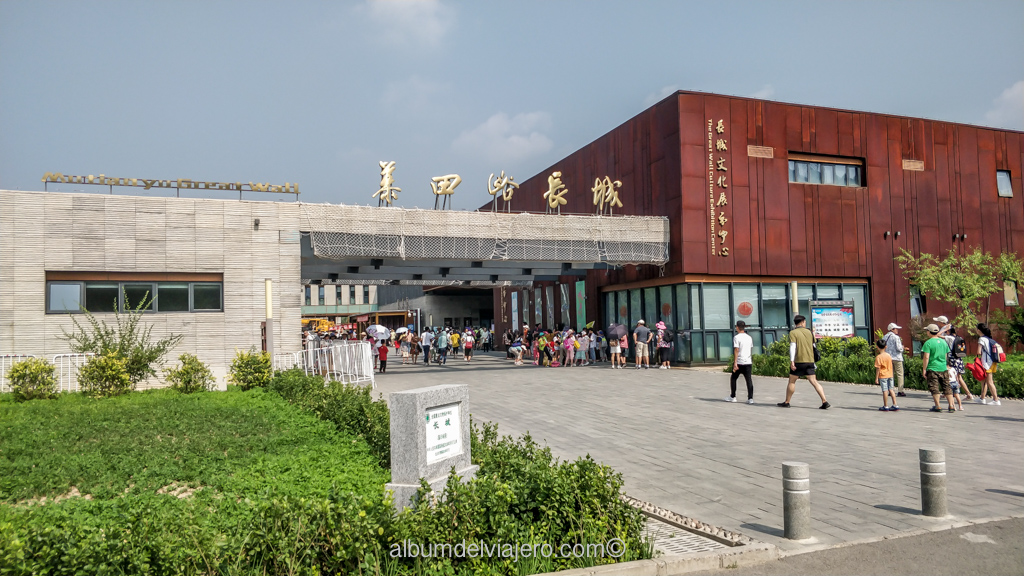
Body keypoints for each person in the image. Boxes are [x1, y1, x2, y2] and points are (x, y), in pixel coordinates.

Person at [778, 315, 829, 409]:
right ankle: (824, 401)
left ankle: (787, 402)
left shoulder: (793, 333)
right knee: (814, 381)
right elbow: (814, 346)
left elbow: (793, 347)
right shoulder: (810, 332)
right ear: (802, 322)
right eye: (805, 322)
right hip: (810, 360)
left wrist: (792, 361)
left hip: (799, 361)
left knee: (792, 381)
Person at [921, 324, 955, 412]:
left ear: (929, 332)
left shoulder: (928, 343)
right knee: (947, 386)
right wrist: (947, 365)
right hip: (943, 367)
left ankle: (937, 405)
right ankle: (951, 405)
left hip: (933, 368)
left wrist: (924, 369)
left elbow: (926, 357)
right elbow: (946, 355)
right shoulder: (943, 342)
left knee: (934, 387)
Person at [943, 326, 974, 402]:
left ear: (948, 331)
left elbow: (937, 335)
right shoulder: (958, 337)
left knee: (953, 376)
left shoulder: (949, 338)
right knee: (958, 377)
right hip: (958, 359)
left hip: (952, 359)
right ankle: (966, 394)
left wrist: (944, 329)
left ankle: (968, 394)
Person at [726, 320, 754, 403]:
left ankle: (733, 396)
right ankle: (750, 398)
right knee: (749, 380)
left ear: (737, 327)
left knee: (733, 378)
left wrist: (735, 362)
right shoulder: (749, 337)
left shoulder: (737, 337)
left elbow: (736, 349)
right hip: (748, 362)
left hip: (739, 362)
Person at [976, 323, 1001, 405]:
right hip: (992, 362)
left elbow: (978, 352)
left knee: (989, 381)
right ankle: (982, 398)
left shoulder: (981, 339)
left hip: (987, 363)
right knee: (985, 381)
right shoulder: (989, 339)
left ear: (979, 330)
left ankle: (996, 400)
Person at [882, 323, 907, 397]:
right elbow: (899, 348)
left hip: (888, 358)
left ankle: (890, 390)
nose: (897, 330)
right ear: (892, 329)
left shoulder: (884, 337)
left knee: (890, 374)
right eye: (896, 329)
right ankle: (900, 390)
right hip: (897, 358)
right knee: (900, 374)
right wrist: (903, 347)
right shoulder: (896, 337)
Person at [874, 339, 899, 411]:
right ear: (886, 346)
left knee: (885, 390)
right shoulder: (888, 355)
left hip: (883, 375)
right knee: (891, 389)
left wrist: (876, 378)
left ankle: (885, 405)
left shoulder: (878, 357)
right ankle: (895, 404)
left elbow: (878, 368)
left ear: (877, 347)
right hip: (890, 374)